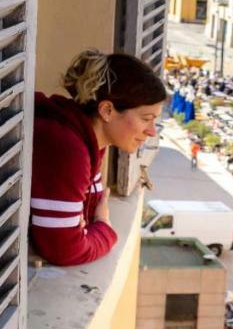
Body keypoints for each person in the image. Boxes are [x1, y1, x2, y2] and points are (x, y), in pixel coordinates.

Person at [31, 50, 166, 266]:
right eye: (146, 119)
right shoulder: (69, 149)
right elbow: (66, 250)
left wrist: (86, 227)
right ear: (107, 110)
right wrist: (104, 227)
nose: (152, 131)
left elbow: (92, 206)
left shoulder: (88, 141)